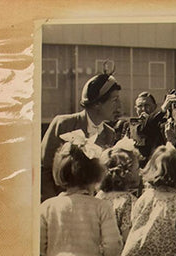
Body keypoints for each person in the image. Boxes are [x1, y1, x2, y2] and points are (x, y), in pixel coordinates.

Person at [40, 130, 122, 256]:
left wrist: (54, 255)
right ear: (95, 174)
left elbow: (39, 244)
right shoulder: (100, 206)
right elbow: (113, 245)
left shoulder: (47, 207)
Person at [41, 72, 121, 202]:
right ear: (97, 104)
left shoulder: (109, 134)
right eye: (115, 100)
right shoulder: (63, 124)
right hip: (60, 204)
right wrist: (54, 203)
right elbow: (44, 169)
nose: (119, 106)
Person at [96, 136, 141, 244]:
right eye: (137, 168)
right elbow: (129, 238)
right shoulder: (128, 201)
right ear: (126, 173)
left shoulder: (99, 196)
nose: (140, 172)